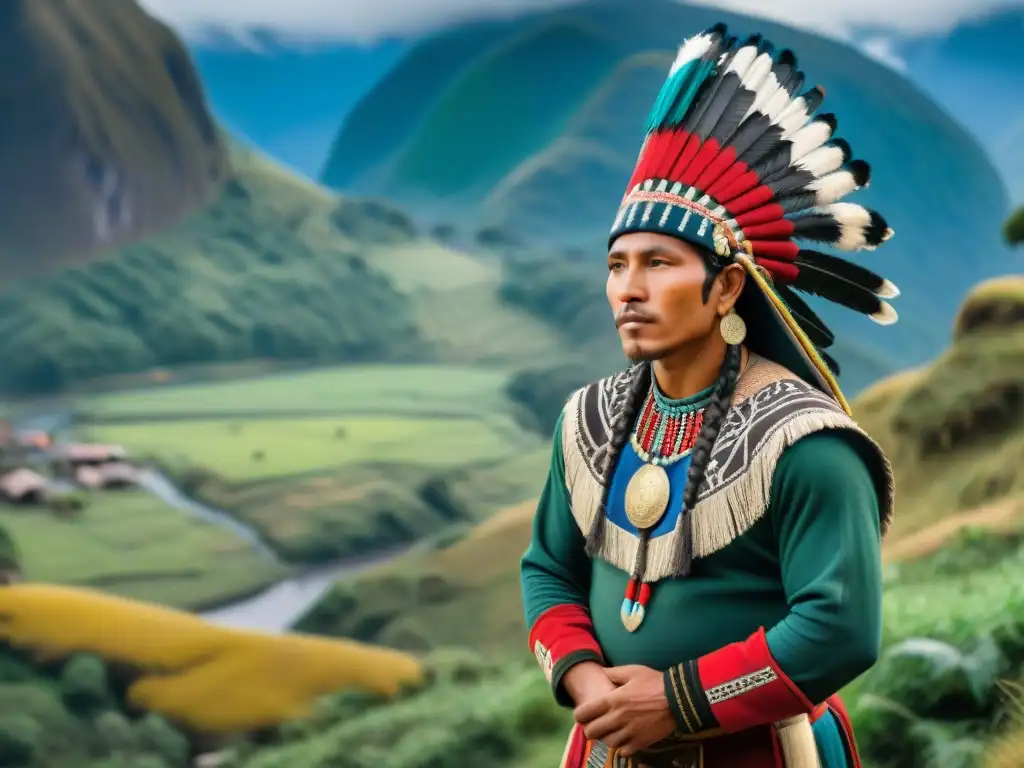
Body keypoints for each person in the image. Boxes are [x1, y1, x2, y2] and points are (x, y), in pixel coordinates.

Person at [519, 23, 899, 768]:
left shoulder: (808, 447)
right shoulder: (587, 423)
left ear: (726, 285)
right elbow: (549, 569)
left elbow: (841, 628)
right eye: (617, 264)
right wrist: (590, 682)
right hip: (605, 750)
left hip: (766, 755)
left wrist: (675, 700)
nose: (628, 289)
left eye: (658, 263)